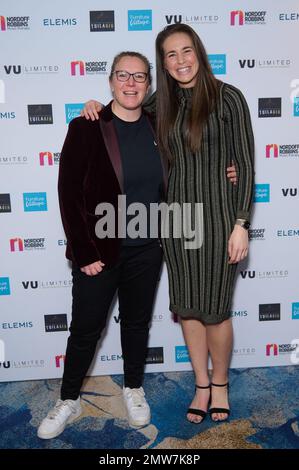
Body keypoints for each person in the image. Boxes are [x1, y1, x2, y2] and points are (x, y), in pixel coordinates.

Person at [82, 24, 254, 425]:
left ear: (199, 52)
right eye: (170, 55)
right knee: (189, 310)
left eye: (186, 50)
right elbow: (125, 111)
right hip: (176, 222)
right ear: (163, 63)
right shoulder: (161, 101)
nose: (180, 61)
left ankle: (221, 383)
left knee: (216, 310)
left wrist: (241, 222)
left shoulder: (229, 98)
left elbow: (244, 164)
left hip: (218, 219)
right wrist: (95, 107)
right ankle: (200, 384)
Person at [37, 51, 167, 439]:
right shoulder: (87, 125)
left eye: (139, 77)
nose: (131, 83)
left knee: (137, 322)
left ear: (148, 84)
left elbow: (192, 164)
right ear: (111, 81)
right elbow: (68, 194)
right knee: (85, 328)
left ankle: (132, 387)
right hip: (99, 250)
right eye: (123, 76)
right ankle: (69, 397)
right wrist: (85, 252)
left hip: (148, 246)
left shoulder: (160, 126)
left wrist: (229, 169)